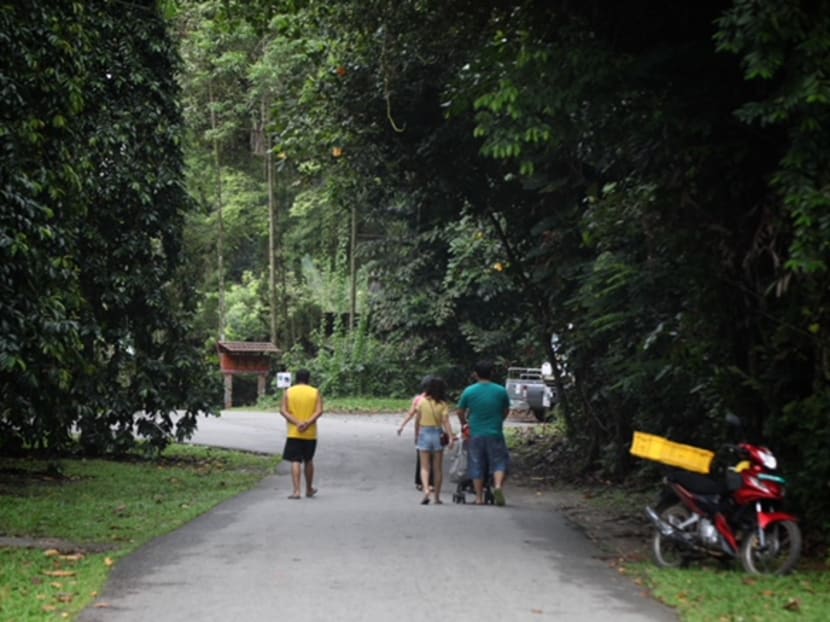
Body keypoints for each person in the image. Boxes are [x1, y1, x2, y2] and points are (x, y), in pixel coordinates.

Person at [456, 360, 511, 506]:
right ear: (492, 373)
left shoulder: (469, 391)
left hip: (476, 433)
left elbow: (460, 411)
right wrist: (499, 420)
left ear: (475, 374)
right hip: (495, 432)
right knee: (499, 461)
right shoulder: (501, 391)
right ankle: (498, 486)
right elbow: (506, 410)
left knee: (476, 462)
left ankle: (479, 497)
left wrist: (464, 424)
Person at [279, 369, 323, 499]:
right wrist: (307, 423)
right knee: (308, 460)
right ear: (309, 379)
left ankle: (297, 491)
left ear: (296, 379)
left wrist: (297, 423)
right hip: (310, 433)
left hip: (294, 432)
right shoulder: (315, 392)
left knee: (295, 460)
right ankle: (309, 489)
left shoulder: (289, 392)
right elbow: (319, 411)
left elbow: (283, 410)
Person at [413, 376, 455, 505]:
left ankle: (426, 490)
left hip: (424, 433)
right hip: (437, 434)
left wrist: (416, 435)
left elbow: (417, 420)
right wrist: (451, 437)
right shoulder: (443, 405)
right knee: (437, 468)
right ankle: (436, 497)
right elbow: (446, 422)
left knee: (425, 467)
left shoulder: (421, 402)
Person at [397, 375, 434, 491]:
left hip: (422, 432)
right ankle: (428, 483)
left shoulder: (419, 399)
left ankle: (421, 482)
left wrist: (402, 426)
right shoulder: (432, 400)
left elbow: (411, 414)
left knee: (423, 459)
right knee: (429, 458)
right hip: (429, 432)